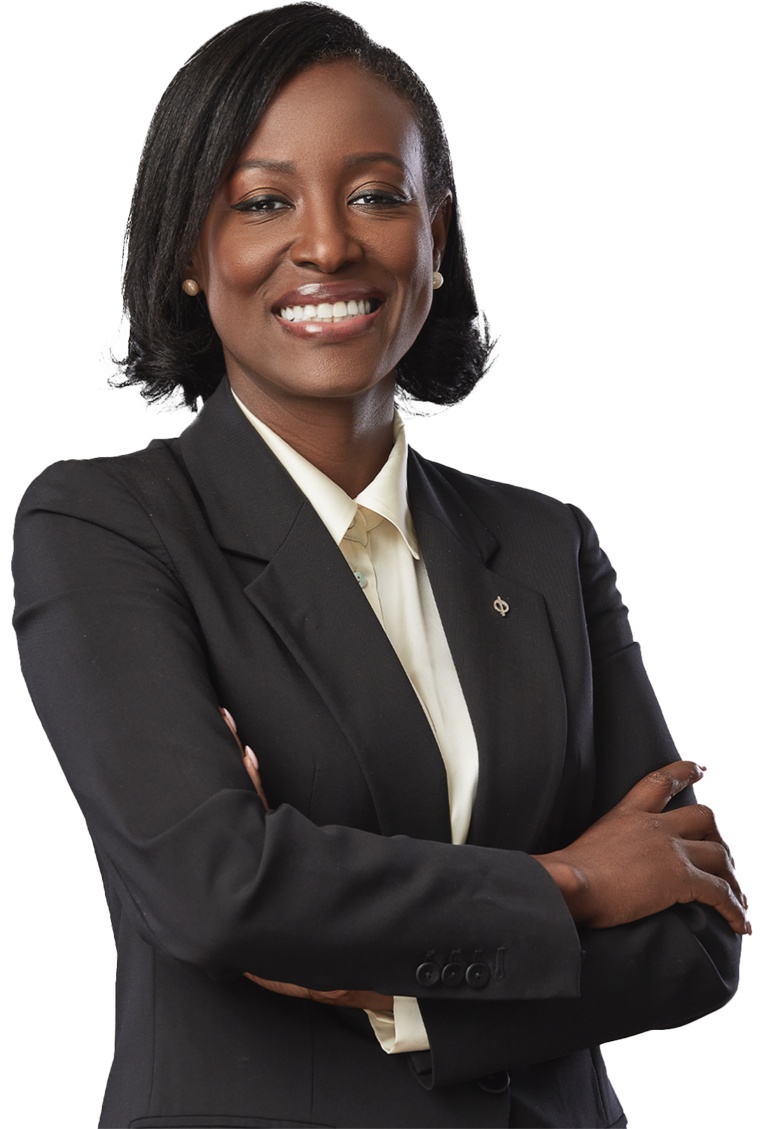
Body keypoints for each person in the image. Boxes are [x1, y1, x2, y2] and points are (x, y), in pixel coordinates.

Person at [11, 6, 744, 1128]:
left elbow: (693, 935)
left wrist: (403, 995)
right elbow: (219, 887)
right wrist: (578, 880)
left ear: (434, 238)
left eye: (375, 195)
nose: (326, 246)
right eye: (262, 202)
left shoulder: (547, 545)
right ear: (189, 255)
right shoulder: (107, 526)